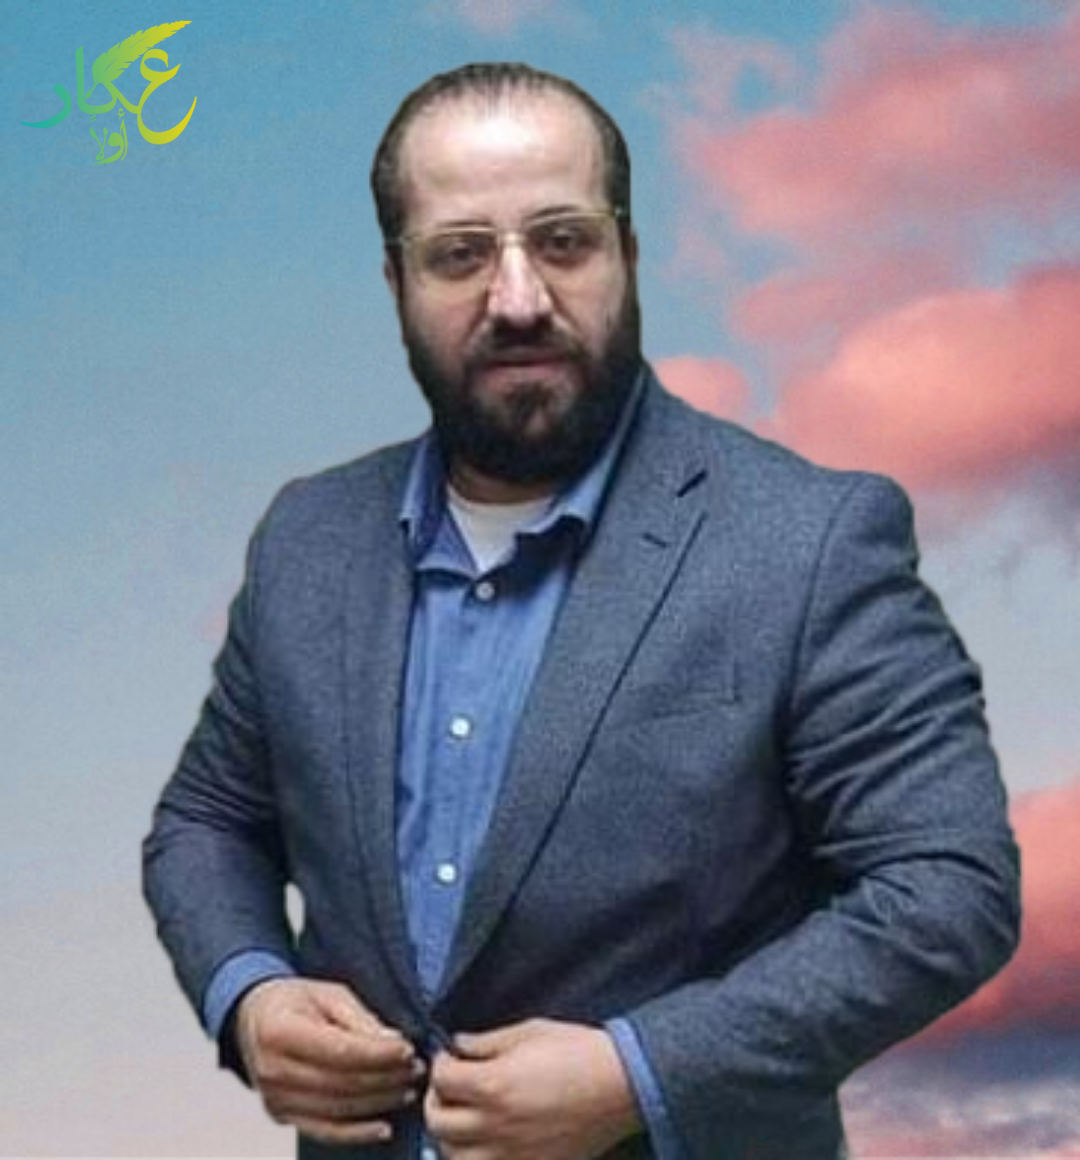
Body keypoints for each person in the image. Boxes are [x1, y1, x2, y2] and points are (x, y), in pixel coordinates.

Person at [143, 63, 1021, 1160]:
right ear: (396, 280)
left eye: (562, 241)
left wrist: (641, 1072)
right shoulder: (305, 540)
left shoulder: (810, 540)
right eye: (461, 254)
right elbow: (209, 820)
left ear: (628, 253)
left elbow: (948, 887)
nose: (518, 298)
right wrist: (249, 991)